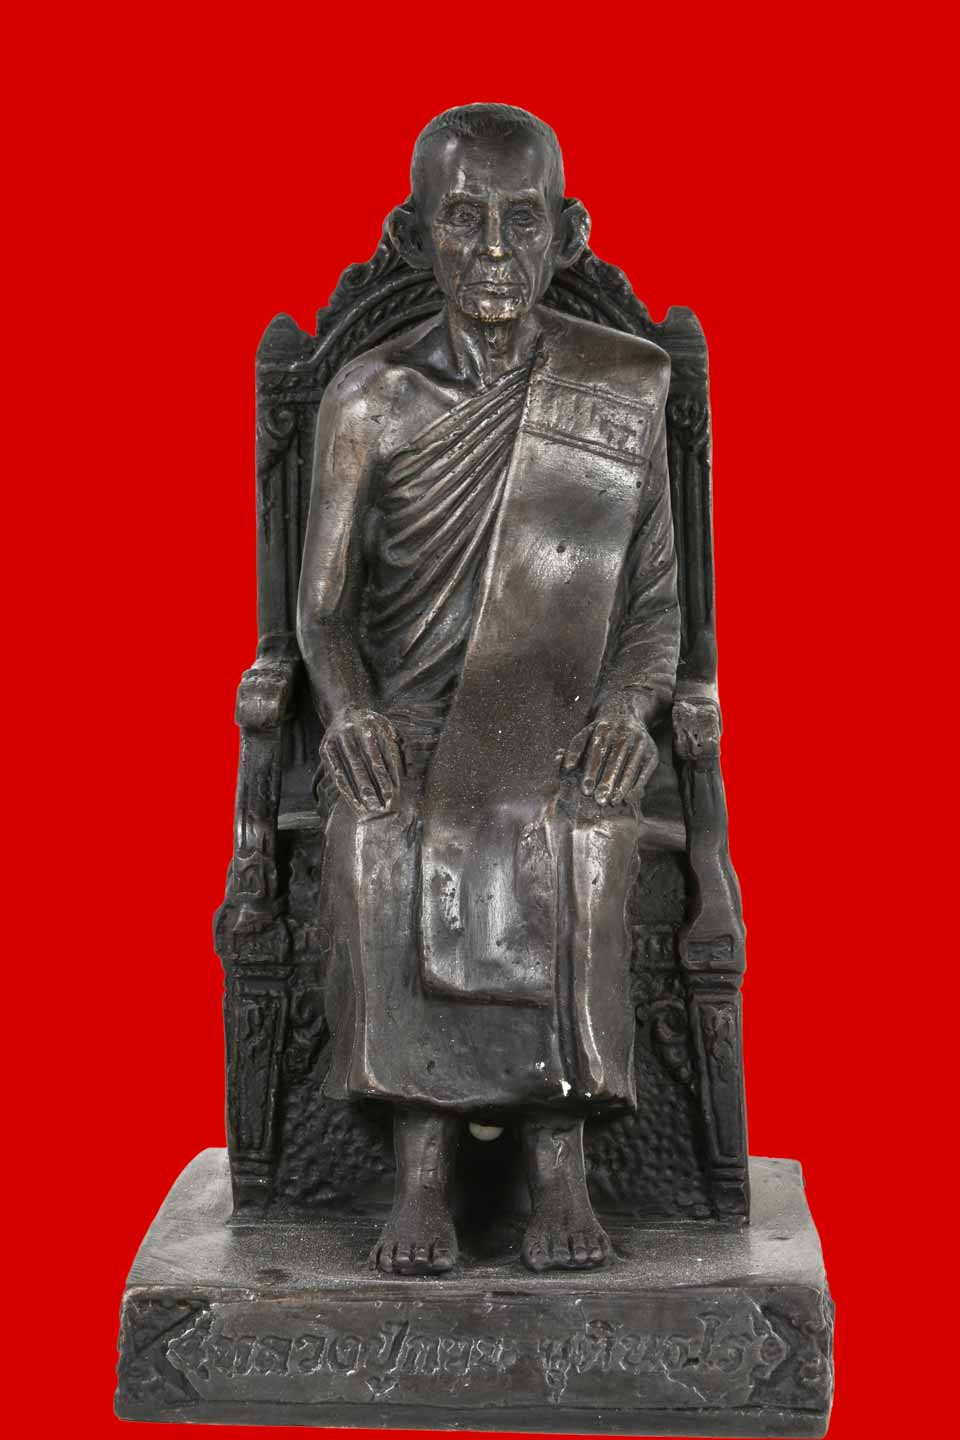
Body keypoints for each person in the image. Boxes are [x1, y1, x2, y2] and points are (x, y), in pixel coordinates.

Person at [297, 103, 680, 1275]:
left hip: (562, 711)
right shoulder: (370, 398)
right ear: (416, 236)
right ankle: (419, 1169)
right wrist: (349, 708)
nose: (497, 250)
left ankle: (562, 1164)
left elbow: (657, 610)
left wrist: (627, 712)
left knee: (580, 832)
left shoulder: (616, 388)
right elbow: (322, 613)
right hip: (411, 714)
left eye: (524, 220)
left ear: (569, 231)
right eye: (465, 221)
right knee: (381, 833)